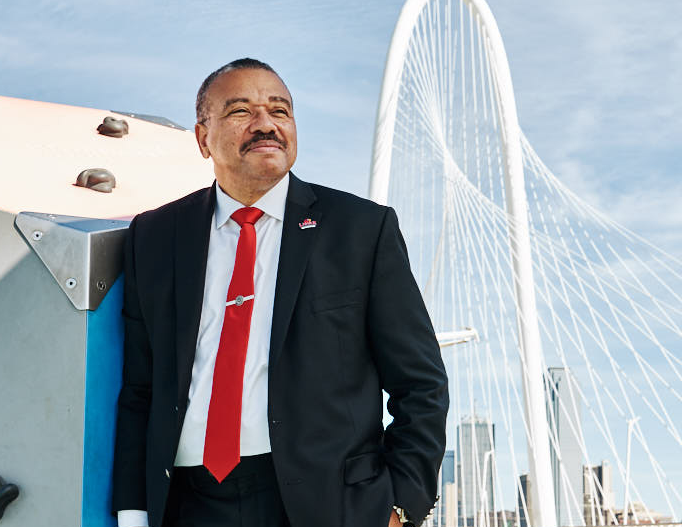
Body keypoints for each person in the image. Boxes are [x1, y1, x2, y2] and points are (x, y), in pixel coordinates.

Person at [112, 58, 449, 527]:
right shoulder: (154, 236)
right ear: (202, 137)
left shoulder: (361, 230)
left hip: (330, 505)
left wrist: (399, 506)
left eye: (280, 110)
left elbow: (421, 384)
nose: (265, 124)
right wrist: (132, 512)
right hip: (188, 505)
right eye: (240, 112)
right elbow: (140, 389)